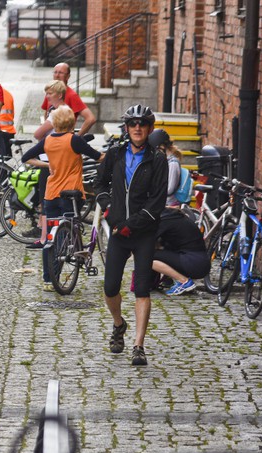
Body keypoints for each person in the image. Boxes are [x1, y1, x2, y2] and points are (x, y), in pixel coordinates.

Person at [94, 104, 167, 366]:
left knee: (142, 288)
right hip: (117, 230)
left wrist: (132, 224)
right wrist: (112, 214)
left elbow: (157, 202)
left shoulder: (157, 159)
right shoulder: (115, 154)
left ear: (149, 128)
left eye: (143, 124)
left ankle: (138, 345)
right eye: (133, 124)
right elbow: (100, 184)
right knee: (110, 286)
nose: (137, 128)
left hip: (143, 232)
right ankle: (118, 324)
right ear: (127, 128)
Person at [19, 106, 102, 287]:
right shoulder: (74, 140)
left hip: (51, 193)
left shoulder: (48, 140)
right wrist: (111, 156)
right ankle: (71, 255)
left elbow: (26, 157)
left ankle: (49, 279)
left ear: (55, 122)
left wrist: (46, 165)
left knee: (50, 236)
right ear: (72, 122)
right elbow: (97, 157)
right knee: (68, 229)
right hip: (71, 193)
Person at [28, 80, 68, 250]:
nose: (47, 96)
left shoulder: (57, 113)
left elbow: (38, 134)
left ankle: (45, 238)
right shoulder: (66, 110)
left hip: (49, 159)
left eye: (50, 93)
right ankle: (55, 234)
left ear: (59, 95)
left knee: (46, 198)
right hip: (61, 158)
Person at [153, 209, 210, 295]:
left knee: (147, 258)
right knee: (159, 251)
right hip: (200, 261)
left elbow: (146, 244)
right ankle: (170, 280)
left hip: (193, 262)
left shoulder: (164, 221)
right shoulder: (174, 217)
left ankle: (184, 282)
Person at [42, 63, 96, 136]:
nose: (57, 75)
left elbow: (91, 119)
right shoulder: (50, 92)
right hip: (50, 139)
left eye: (60, 73)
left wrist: (77, 138)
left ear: (68, 76)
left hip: (64, 141)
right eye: (55, 72)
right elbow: (47, 112)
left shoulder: (72, 95)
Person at [148, 128, 183, 207]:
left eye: (155, 150)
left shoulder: (173, 164)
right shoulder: (165, 161)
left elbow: (169, 189)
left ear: (162, 147)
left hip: (169, 205)